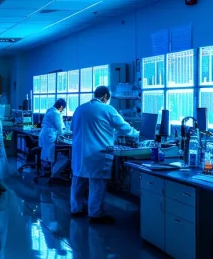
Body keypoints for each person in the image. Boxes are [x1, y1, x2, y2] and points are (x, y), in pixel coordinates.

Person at [70, 86, 138, 224]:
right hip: (97, 152)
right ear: (105, 96)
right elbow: (124, 127)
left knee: (78, 180)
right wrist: (138, 134)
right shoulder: (107, 109)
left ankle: (76, 209)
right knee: (97, 183)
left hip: (79, 151)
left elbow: (72, 128)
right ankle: (95, 214)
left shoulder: (79, 109)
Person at [39, 99, 69, 177]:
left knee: (45, 154)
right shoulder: (56, 113)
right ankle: (52, 174)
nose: (62, 111)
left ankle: (46, 171)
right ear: (61, 106)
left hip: (44, 134)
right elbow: (60, 129)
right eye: (63, 109)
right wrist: (69, 133)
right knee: (49, 154)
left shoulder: (50, 110)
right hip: (49, 136)